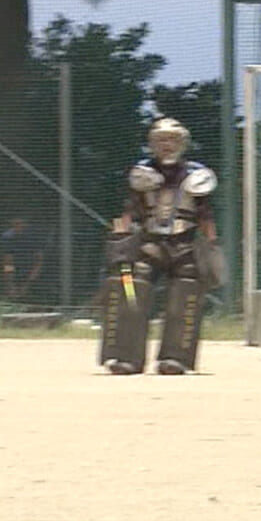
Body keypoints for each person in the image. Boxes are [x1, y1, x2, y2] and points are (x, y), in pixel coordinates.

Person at [105, 117, 220, 375]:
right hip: (148, 243)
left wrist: (211, 245)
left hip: (185, 243)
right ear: (152, 144)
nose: (167, 145)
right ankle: (126, 357)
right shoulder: (141, 173)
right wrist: (120, 239)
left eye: (172, 140)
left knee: (185, 293)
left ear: (182, 143)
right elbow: (130, 211)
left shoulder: (197, 175)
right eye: (161, 140)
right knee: (131, 287)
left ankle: (175, 357)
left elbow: (205, 215)